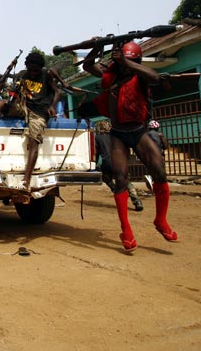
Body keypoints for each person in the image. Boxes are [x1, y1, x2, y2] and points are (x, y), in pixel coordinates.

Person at [83, 41, 177, 252]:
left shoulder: (140, 75)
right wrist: (97, 47)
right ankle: (126, 230)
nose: (127, 65)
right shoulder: (110, 73)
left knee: (160, 172)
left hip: (139, 131)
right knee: (121, 179)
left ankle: (161, 221)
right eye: (125, 61)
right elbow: (88, 66)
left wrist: (126, 62)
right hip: (118, 134)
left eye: (132, 61)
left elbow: (154, 77)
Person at [0, 52, 62, 191]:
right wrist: (10, 107)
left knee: (34, 142)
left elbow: (58, 92)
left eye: (36, 70)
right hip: (23, 106)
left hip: (39, 111)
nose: (33, 73)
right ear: (27, 66)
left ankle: (26, 180)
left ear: (40, 68)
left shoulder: (46, 75)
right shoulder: (23, 74)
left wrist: (52, 106)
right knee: (1, 102)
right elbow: (14, 94)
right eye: (31, 69)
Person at [95, 120, 144, 211]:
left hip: (107, 163)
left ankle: (117, 192)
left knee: (106, 178)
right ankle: (136, 200)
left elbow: (96, 154)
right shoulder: (114, 137)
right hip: (120, 162)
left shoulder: (97, 138)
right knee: (126, 181)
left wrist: (96, 166)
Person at [144, 119, 169, 189]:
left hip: (149, 155)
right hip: (159, 155)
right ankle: (159, 186)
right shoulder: (159, 135)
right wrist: (162, 138)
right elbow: (166, 146)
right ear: (156, 127)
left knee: (152, 169)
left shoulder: (145, 135)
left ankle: (150, 177)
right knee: (160, 172)